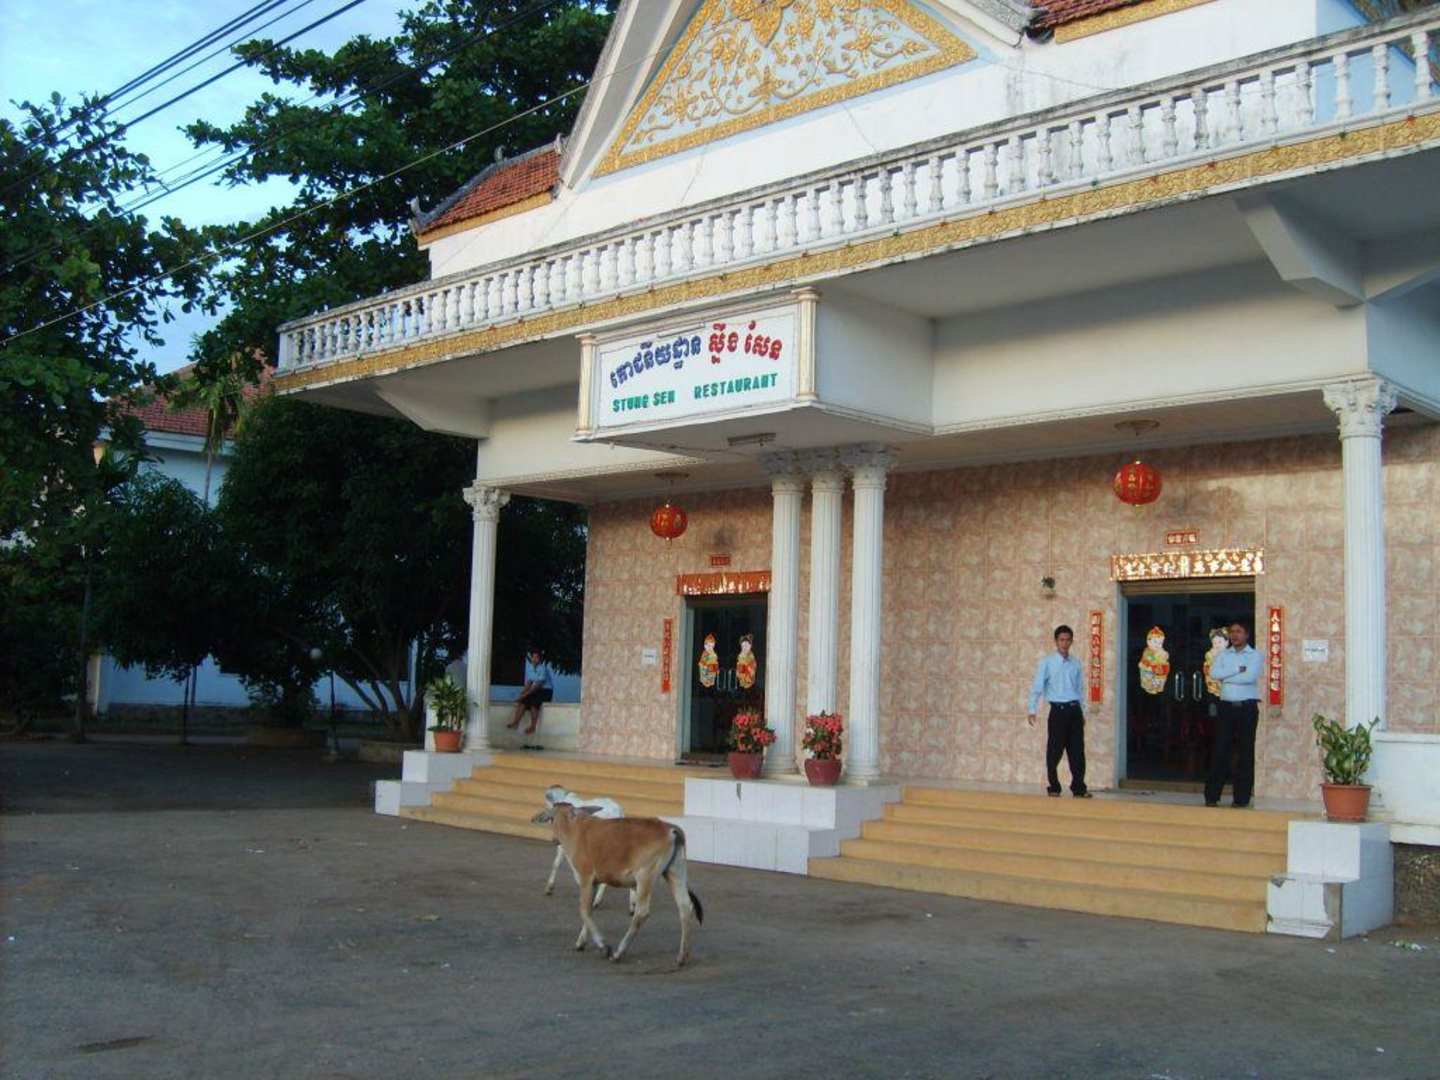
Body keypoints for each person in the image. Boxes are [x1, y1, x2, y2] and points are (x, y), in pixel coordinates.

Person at [1027, 625, 1090, 798]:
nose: (1064, 643)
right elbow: (1037, 687)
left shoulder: (1076, 663)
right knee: (1054, 750)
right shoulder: (1047, 662)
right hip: (1058, 711)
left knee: (1077, 751)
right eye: (1061, 640)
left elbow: (1080, 690)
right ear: (1056, 641)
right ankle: (1054, 786)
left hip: (1074, 710)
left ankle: (1079, 788)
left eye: (1068, 640)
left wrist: (1083, 712)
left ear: (1072, 641)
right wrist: (1032, 709)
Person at [1205, 622, 1262, 808]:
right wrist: (1237, 670)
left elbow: (1249, 678)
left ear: (1247, 635)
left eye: (1239, 631)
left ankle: (1241, 798)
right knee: (1220, 749)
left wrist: (1227, 677)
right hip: (1226, 708)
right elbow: (1214, 673)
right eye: (1232, 632)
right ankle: (1212, 796)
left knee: (1245, 752)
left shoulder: (1255, 655)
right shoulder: (1223, 654)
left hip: (1247, 708)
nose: (1235, 635)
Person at [506, 647, 554, 736]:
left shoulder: (542, 669)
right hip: (536, 690)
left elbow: (538, 685)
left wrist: (525, 695)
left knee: (533, 703)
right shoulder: (530, 668)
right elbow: (529, 683)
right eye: (533, 657)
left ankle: (533, 726)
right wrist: (521, 694)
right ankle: (515, 723)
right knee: (523, 702)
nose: (534, 659)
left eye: (537, 657)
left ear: (540, 659)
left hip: (546, 691)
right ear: (531, 658)